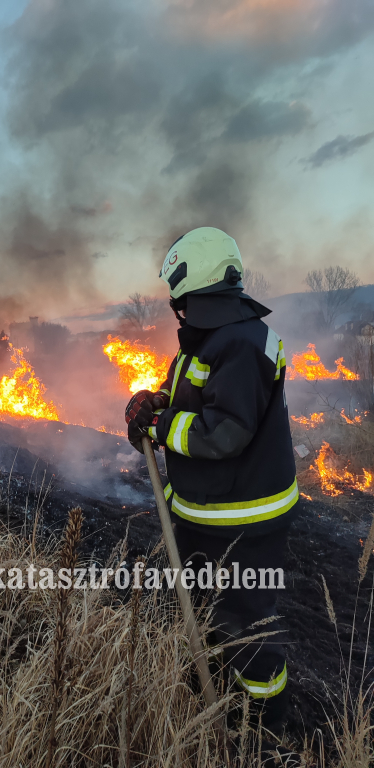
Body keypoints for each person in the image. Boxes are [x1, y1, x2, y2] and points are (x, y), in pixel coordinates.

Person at [125, 227, 300, 745]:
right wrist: (158, 401)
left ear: (194, 289)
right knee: (210, 611)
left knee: (248, 626)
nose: (175, 308)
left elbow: (224, 431)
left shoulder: (241, 344)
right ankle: (219, 696)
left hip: (244, 520)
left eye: (178, 298)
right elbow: (196, 398)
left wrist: (160, 430)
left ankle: (264, 730)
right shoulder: (216, 337)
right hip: (210, 513)